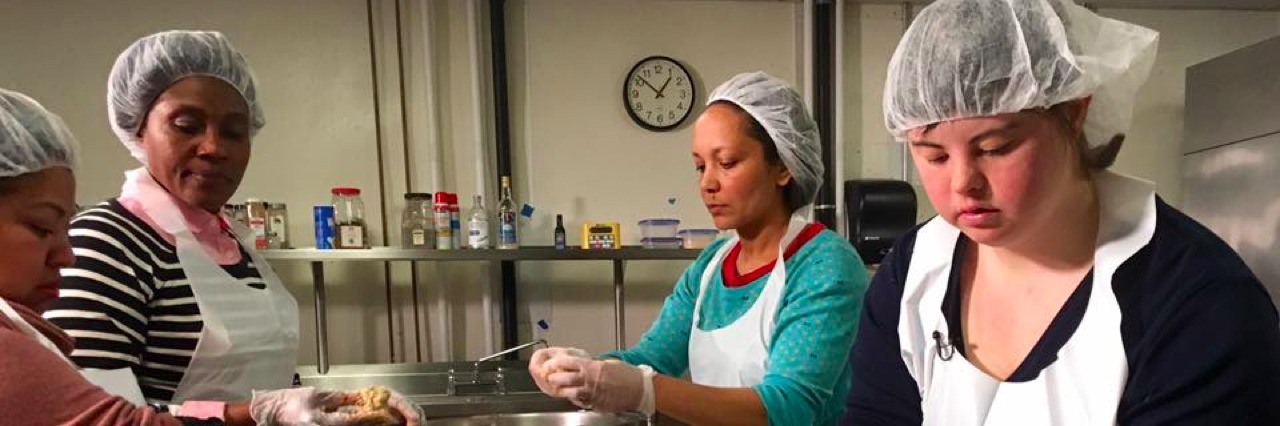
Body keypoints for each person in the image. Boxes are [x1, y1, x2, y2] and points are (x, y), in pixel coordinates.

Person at [841, 1, 1280, 424]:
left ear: (1073, 113)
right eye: (933, 155)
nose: (962, 183)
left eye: (995, 148)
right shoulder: (914, 268)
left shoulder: (1198, 301)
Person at [39, 30, 414, 419]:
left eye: (234, 132)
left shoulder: (233, 242)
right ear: (138, 128)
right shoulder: (106, 242)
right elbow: (93, 416)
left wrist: (343, 408)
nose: (214, 148)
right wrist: (257, 413)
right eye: (186, 125)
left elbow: (270, 386)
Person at [529, 72, 868, 425]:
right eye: (700, 166)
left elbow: (789, 407)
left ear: (783, 167)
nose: (707, 183)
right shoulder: (712, 264)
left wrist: (646, 390)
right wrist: (581, 370)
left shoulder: (824, 264)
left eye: (727, 163)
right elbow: (654, 358)